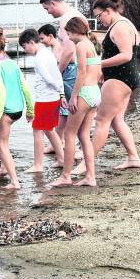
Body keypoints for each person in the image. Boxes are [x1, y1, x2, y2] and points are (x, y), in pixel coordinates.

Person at [86, 0, 140, 171]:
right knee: (117, 120)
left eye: (99, 15)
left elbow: (126, 55)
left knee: (102, 120)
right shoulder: (122, 24)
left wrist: (99, 64)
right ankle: (133, 158)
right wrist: (104, 69)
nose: (99, 20)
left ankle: (86, 164)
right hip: (125, 77)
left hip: (120, 78)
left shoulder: (119, 26)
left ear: (108, 10)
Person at [49, 18, 102, 187]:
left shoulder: (81, 46)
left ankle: (66, 175)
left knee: (69, 135)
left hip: (85, 93)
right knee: (84, 135)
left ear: (75, 30)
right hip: (95, 93)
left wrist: (73, 96)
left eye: (69, 33)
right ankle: (90, 176)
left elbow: (81, 74)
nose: (68, 37)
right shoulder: (93, 45)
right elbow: (98, 71)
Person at [0, 28, 34, 190]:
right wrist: (30, 110)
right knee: (2, 142)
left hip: (6, 111)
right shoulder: (12, 63)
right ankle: (5, 167)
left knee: (2, 145)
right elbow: (25, 88)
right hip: (18, 109)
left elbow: (0, 91)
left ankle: (14, 181)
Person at [40, 0, 88, 141]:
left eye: (47, 8)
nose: (48, 13)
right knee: (65, 110)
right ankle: (59, 141)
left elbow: (69, 51)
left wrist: (57, 72)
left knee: (71, 107)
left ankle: (70, 143)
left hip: (70, 69)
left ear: (53, 3)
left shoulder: (66, 19)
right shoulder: (76, 14)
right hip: (77, 67)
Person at [17, 29, 65, 173]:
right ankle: (62, 159)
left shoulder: (39, 58)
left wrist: (58, 89)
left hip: (45, 99)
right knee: (49, 130)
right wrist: (61, 93)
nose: (25, 51)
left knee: (37, 131)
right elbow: (57, 74)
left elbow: (48, 78)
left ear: (32, 42)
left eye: (25, 47)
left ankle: (38, 165)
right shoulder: (48, 53)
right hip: (53, 97)